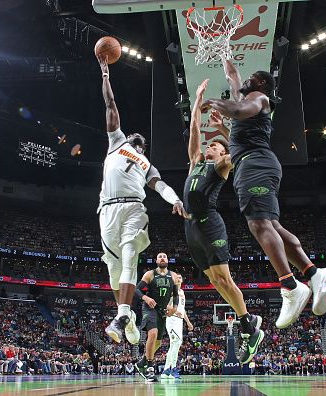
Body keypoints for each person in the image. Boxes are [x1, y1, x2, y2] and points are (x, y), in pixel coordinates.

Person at [200, 59, 326, 328]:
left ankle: (290, 285)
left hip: (255, 164)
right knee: (272, 225)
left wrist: (215, 102)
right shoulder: (247, 100)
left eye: (252, 77)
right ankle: (314, 273)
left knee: (259, 224)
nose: (245, 81)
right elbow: (233, 78)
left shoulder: (259, 98)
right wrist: (224, 50)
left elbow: (239, 109)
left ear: (262, 83)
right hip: (252, 162)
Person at [96, 56, 188, 345]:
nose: (136, 141)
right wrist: (105, 75)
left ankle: (122, 315)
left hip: (134, 208)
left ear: (144, 147)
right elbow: (111, 106)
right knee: (113, 272)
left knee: (128, 258)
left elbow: (160, 186)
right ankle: (129, 316)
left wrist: (175, 199)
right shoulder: (117, 142)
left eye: (141, 142)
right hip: (106, 209)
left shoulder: (147, 164)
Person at [183, 79, 263, 364]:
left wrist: (221, 130)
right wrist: (197, 100)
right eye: (210, 146)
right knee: (215, 282)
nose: (210, 147)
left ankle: (248, 328)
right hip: (191, 228)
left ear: (220, 153)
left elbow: (238, 149)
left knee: (225, 279)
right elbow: (193, 130)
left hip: (210, 223)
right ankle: (248, 322)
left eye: (214, 146)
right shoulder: (195, 162)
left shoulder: (221, 165)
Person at [134, 252, 180, 382]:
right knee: (152, 334)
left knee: (158, 343)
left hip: (163, 311)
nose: (162, 258)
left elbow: (175, 295)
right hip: (150, 308)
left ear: (168, 260)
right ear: (156, 260)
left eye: (164, 256)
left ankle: (141, 363)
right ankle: (149, 368)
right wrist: (146, 297)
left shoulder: (174, 276)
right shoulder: (150, 274)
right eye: (159, 256)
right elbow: (136, 290)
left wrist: (175, 308)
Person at [161, 273, 193, 379]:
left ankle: (166, 370)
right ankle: (173, 369)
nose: (178, 279)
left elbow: (182, 310)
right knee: (177, 342)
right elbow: (164, 305)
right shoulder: (170, 290)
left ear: (182, 280)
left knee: (174, 344)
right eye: (177, 278)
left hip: (179, 321)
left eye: (180, 278)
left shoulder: (182, 292)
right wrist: (174, 312)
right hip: (171, 319)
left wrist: (188, 322)